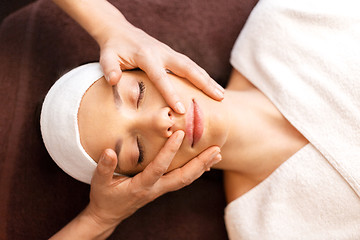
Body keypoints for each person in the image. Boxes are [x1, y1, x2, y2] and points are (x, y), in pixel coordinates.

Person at [43, 0, 360, 238]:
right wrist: (99, 219)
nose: (160, 122)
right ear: (143, 182)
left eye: (138, 93)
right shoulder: (264, 228)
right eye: (137, 151)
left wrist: (113, 26)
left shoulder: (289, 19)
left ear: (150, 62)